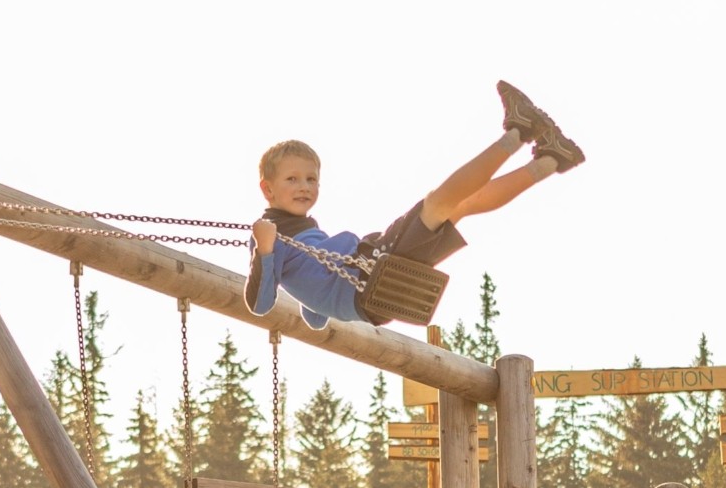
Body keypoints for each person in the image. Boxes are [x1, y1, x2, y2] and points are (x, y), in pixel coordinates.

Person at [244, 80, 584, 330]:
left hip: (371, 286)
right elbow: (259, 304)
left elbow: (317, 313)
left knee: (459, 206)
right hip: (371, 276)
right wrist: (265, 250)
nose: (304, 187)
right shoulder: (271, 236)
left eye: (311, 179)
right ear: (267, 189)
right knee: (438, 202)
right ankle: (518, 131)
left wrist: (312, 301)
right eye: (292, 179)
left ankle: (552, 159)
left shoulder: (304, 233)